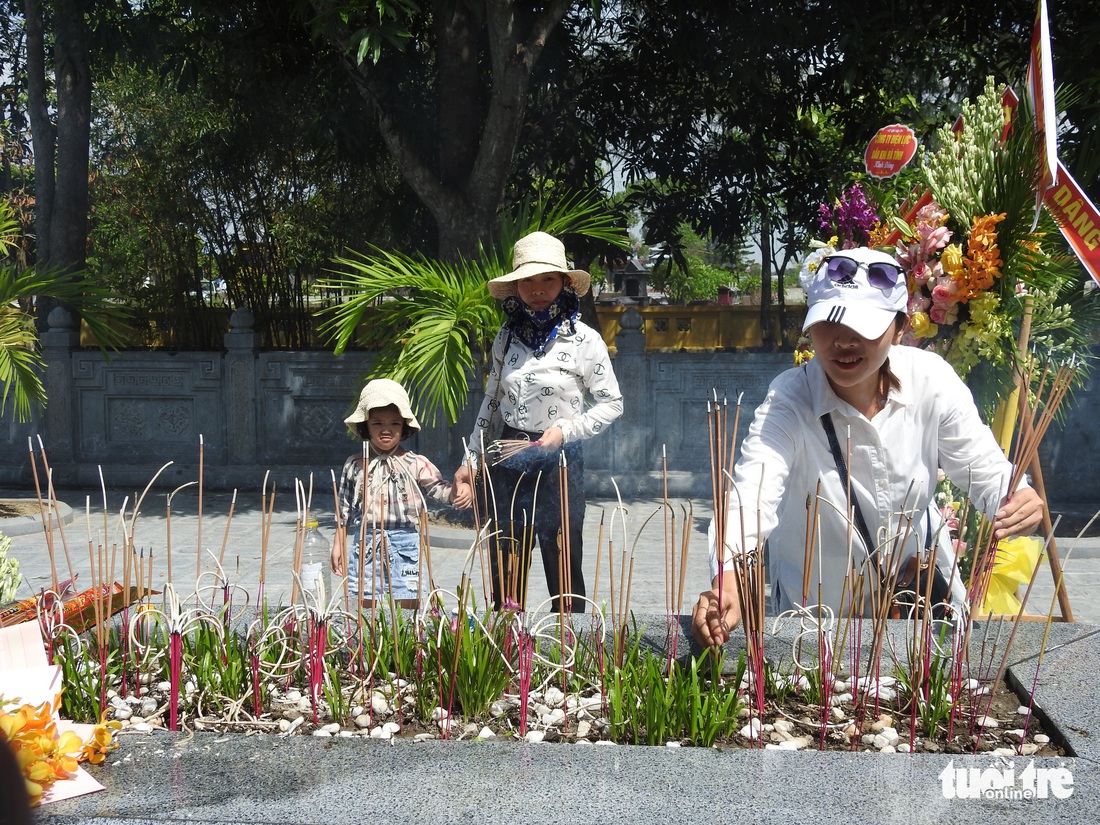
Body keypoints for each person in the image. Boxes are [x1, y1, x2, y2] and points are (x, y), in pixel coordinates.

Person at [691, 246, 1044, 646]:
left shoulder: (932, 381)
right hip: (820, 612)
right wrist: (728, 577)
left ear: (900, 327)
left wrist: (1016, 499)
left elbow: (984, 469)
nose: (844, 341)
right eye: (828, 323)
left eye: (865, 326)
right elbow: (750, 495)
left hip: (918, 599)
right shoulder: (788, 400)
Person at [455, 231, 623, 612]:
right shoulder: (505, 337)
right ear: (515, 286)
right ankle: (506, 650)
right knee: (507, 560)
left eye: (547, 278)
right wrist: (470, 460)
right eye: (527, 280)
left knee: (562, 555)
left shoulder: (585, 340)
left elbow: (612, 403)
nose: (537, 289)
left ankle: (568, 649)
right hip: (508, 455)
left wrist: (566, 431)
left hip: (560, 459)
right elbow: (492, 404)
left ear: (564, 282)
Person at [331, 378, 472, 608]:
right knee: (365, 601)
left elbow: (439, 489)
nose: (386, 430)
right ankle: (369, 642)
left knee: (409, 600)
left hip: (406, 542)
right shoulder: (355, 465)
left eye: (394, 424)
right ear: (365, 426)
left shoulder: (415, 463)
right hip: (367, 541)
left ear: (404, 428)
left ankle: (409, 643)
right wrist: (338, 544)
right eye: (377, 423)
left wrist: (458, 491)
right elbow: (344, 509)